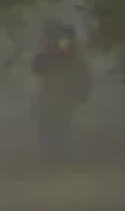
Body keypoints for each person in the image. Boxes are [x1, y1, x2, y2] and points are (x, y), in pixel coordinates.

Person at [31, 20, 92, 155]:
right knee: (51, 123)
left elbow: (82, 72)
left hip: (61, 94)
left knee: (58, 123)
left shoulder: (66, 49)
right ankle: (52, 151)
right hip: (52, 93)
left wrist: (83, 91)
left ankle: (54, 151)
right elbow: (37, 67)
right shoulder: (52, 48)